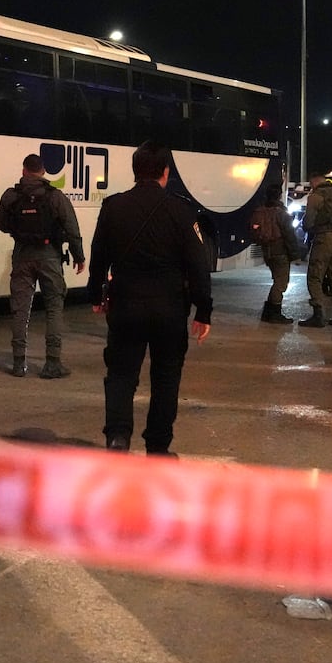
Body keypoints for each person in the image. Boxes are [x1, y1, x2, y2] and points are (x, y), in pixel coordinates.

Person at [87, 141, 213, 456]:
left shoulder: (113, 207)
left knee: (120, 374)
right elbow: (199, 265)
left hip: (126, 306)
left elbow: (99, 256)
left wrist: (96, 294)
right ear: (166, 172)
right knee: (166, 378)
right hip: (169, 311)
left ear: (134, 170)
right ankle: (157, 445)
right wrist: (204, 310)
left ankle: (117, 437)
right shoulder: (182, 212)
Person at [0, 153, 86, 378]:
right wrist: (79, 256)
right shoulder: (55, 197)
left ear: (24, 170)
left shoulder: (11, 196)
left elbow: (2, 224)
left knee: (21, 308)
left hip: (22, 255)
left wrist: (21, 232)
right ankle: (52, 362)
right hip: (50, 256)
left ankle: (19, 363)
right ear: (44, 171)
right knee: (54, 306)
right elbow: (73, 230)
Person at [298, 174, 332, 328]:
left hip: (323, 237)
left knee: (315, 275)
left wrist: (308, 228)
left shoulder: (316, 196)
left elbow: (308, 222)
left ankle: (318, 315)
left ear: (315, 181)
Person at [250, 189, 302, 323]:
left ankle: (267, 313)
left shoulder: (260, 212)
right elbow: (289, 235)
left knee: (276, 281)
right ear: (279, 197)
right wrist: (295, 255)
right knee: (281, 283)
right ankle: (274, 313)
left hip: (267, 251)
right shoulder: (281, 214)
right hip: (280, 251)